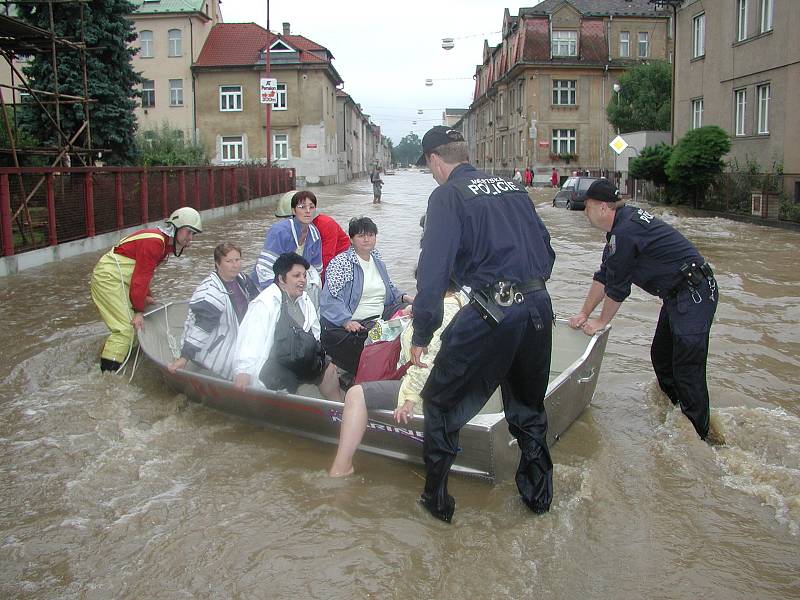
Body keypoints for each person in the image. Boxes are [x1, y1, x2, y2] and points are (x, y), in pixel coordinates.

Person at [412, 125, 556, 522]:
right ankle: (539, 502)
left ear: (434, 161)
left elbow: (432, 277)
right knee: (528, 410)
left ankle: (436, 504)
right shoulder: (512, 187)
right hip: (539, 308)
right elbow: (547, 253)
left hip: (494, 313)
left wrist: (422, 333)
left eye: (430, 168)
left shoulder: (447, 196)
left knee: (439, 402)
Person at [568, 179, 719, 442]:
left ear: (603, 207)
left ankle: (700, 440)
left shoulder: (625, 232)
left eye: (587, 207)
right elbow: (605, 275)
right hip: (677, 296)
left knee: (687, 369)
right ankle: (678, 413)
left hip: (694, 294)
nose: (584, 213)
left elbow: (617, 288)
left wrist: (601, 321)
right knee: (661, 357)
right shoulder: (621, 228)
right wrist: (584, 313)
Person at [328, 286, 465, 477]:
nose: (419, 289)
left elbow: (427, 364)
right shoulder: (456, 303)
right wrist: (408, 314)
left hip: (424, 389)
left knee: (355, 394)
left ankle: (341, 468)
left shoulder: (438, 314)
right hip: (442, 384)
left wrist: (410, 399)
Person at [90, 206, 202, 373]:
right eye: (188, 232)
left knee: (134, 328)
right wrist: (138, 311)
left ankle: (108, 358)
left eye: (193, 234)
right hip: (109, 279)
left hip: (119, 279)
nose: (191, 239)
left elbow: (142, 272)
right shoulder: (155, 242)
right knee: (126, 329)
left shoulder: (162, 242)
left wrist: (146, 297)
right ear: (176, 227)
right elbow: (140, 277)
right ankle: (106, 375)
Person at [232, 252, 342, 401]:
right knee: (287, 381)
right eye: (296, 276)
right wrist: (243, 371)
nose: (303, 280)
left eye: (304, 275)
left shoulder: (305, 300)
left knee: (329, 370)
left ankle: (339, 411)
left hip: (300, 357)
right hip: (275, 363)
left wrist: (318, 358)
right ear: (281, 279)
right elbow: (250, 339)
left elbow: (315, 333)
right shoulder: (265, 303)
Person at [319, 216, 413, 377]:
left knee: (414, 312)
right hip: (359, 320)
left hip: (381, 313)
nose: (366, 239)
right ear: (351, 239)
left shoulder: (377, 260)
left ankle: (406, 365)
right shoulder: (341, 263)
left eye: (370, 235)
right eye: (361, 236)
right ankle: (377, 372)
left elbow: (388, 289)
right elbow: (329, 298)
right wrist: (345, 320)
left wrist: (406, 298)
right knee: (386, 332)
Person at [167, 243, 259, 379]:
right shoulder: (211, 293)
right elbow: (201, 328)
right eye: (229, 261)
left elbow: (257, 303)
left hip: (237, 334)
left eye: (238, 260)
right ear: (217, 263)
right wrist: (184, 358)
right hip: (212, 347)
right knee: (243, 373)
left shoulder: (242, 279)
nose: (235, 265)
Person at [252, 190, 323, 306]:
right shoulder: (279, 231)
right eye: (302, 207)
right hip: (265, 287)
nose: (307, 211)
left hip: (293, 289)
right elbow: (265, 268)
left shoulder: (315, 234)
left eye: (311, 207)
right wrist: (278, 296)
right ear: (294, 210)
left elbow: (316, 270)